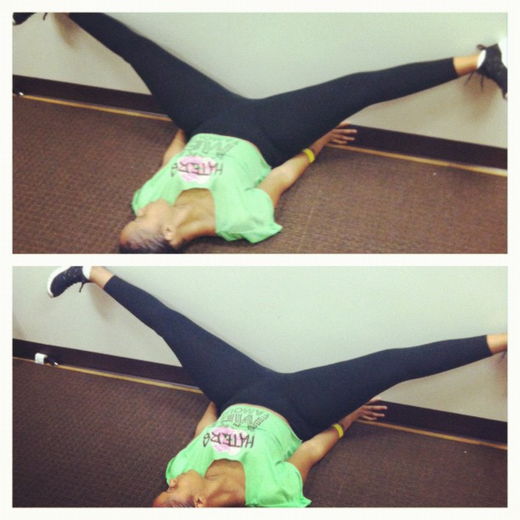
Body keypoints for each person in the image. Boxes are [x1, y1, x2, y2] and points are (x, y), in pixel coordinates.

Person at [15, 13, 507, 253]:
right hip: (267, 135)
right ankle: (481, 60)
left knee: (144, 55)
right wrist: (317, 140)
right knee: (358, 88)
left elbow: (172, 156)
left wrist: (183, 109)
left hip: (204, 119)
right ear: (167, 233)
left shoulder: (148, 198)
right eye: (141, 221)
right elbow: (282, 177)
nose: (138, 209)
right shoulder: (240, 220)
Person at [47, 266, 507, 507]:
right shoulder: (271, 494)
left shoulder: (181, 469)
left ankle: (91, 272)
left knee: (174, 327)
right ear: (201, 503)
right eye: (172, 493)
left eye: (163, 491)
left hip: (235, 392)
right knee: (392, 364)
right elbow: (312, 450)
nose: (168, 482)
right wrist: (348, 413)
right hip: (298, 408)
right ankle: (505, 340)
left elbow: (205, 431)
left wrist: (214, 381)